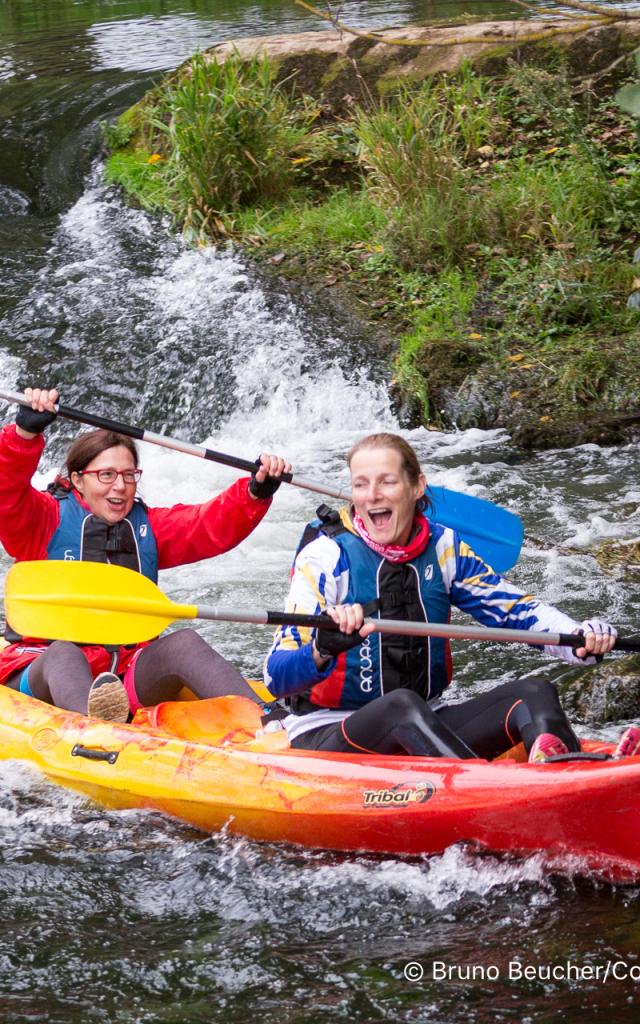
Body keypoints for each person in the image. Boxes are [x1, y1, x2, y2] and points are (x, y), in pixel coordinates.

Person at [265, 431, 637, 763]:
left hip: (427, 721)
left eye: (386, 482)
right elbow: (275, 676)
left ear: (417, 486)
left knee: (535, 692)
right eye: (360, 485)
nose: (372, 495)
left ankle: (567, 772)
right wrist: (322, 648)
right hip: (328, 733)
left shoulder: (443, 547)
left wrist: (579, 639)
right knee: (399, 706)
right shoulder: (327, 557)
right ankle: (487, 792)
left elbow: (513, 610)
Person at [0, 386, 291, 722]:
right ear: (78, 480)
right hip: (43, 669)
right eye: (106, 475)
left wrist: (255, 491)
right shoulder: (42, 520)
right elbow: (6, 489)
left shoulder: (148, 528)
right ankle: (97, 732)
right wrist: (24, 434)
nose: (120, 486)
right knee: (64, 654)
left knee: (184, 642)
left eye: (128, 475)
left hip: (121, 671)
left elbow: (208, 525)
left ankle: (270, 721)